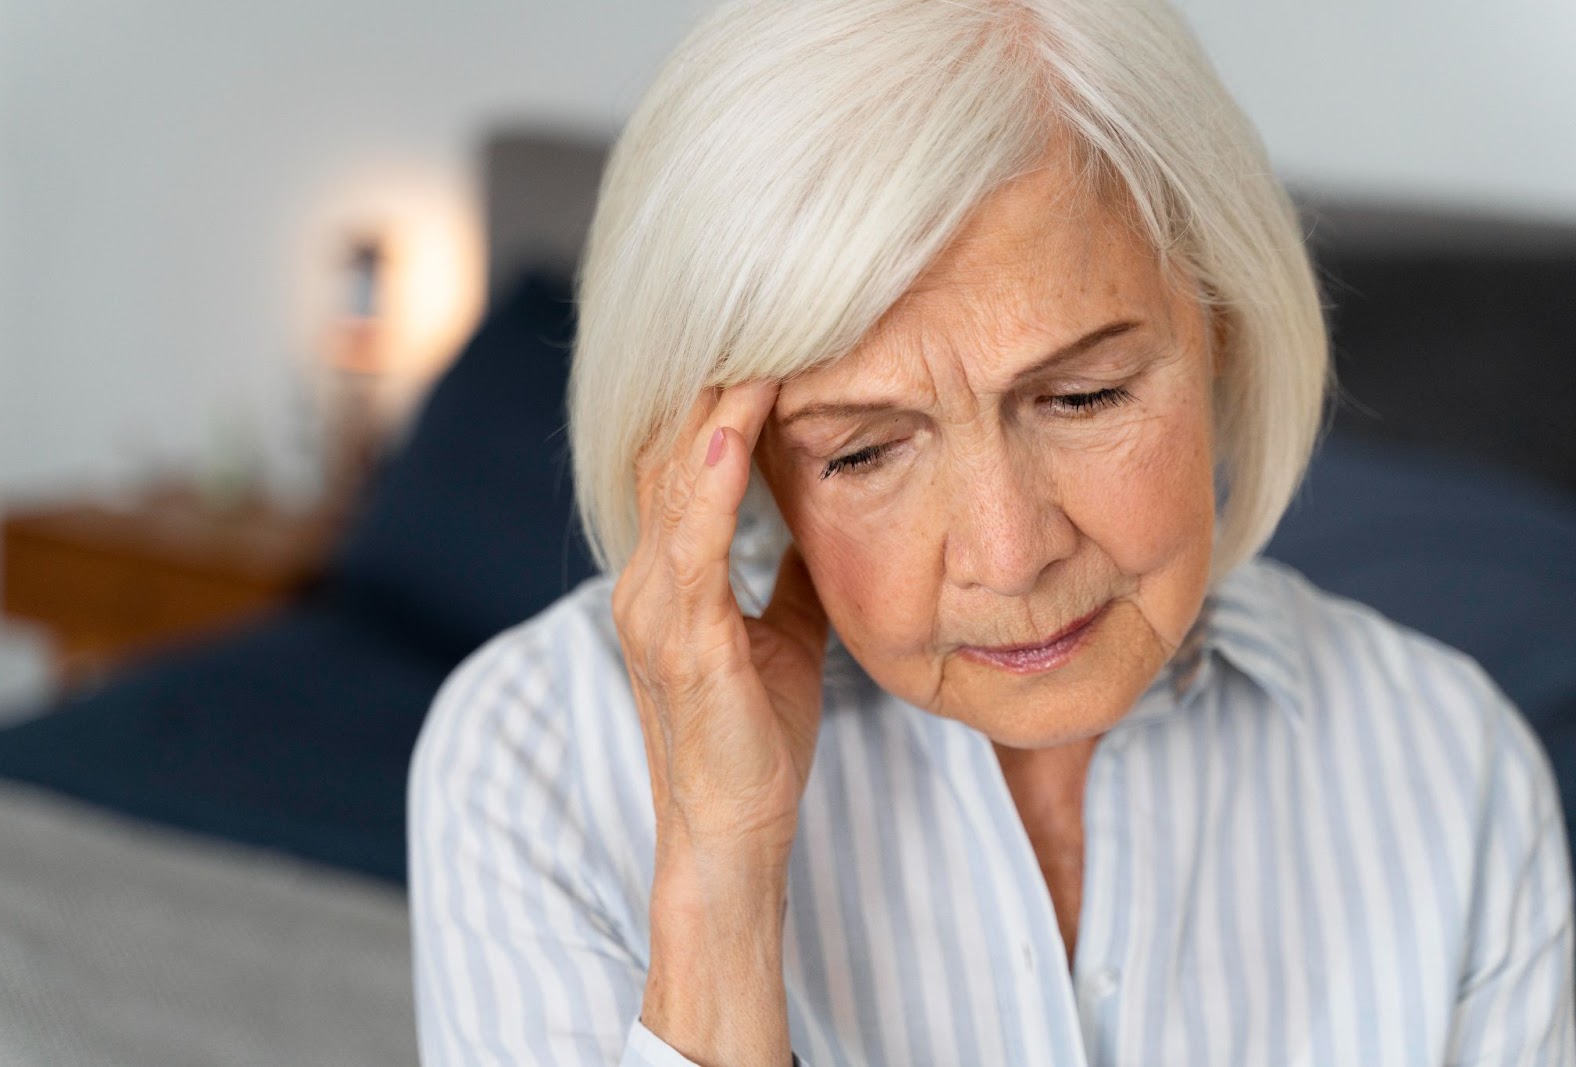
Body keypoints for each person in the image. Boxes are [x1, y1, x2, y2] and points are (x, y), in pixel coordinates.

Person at [407, 0, 1575, 1063]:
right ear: (744, 461)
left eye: (1084, 397)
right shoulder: (536, 758)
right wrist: (719, 891)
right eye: (862, 451)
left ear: (1219, 322)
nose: (1009, 554)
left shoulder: (1451, 768)